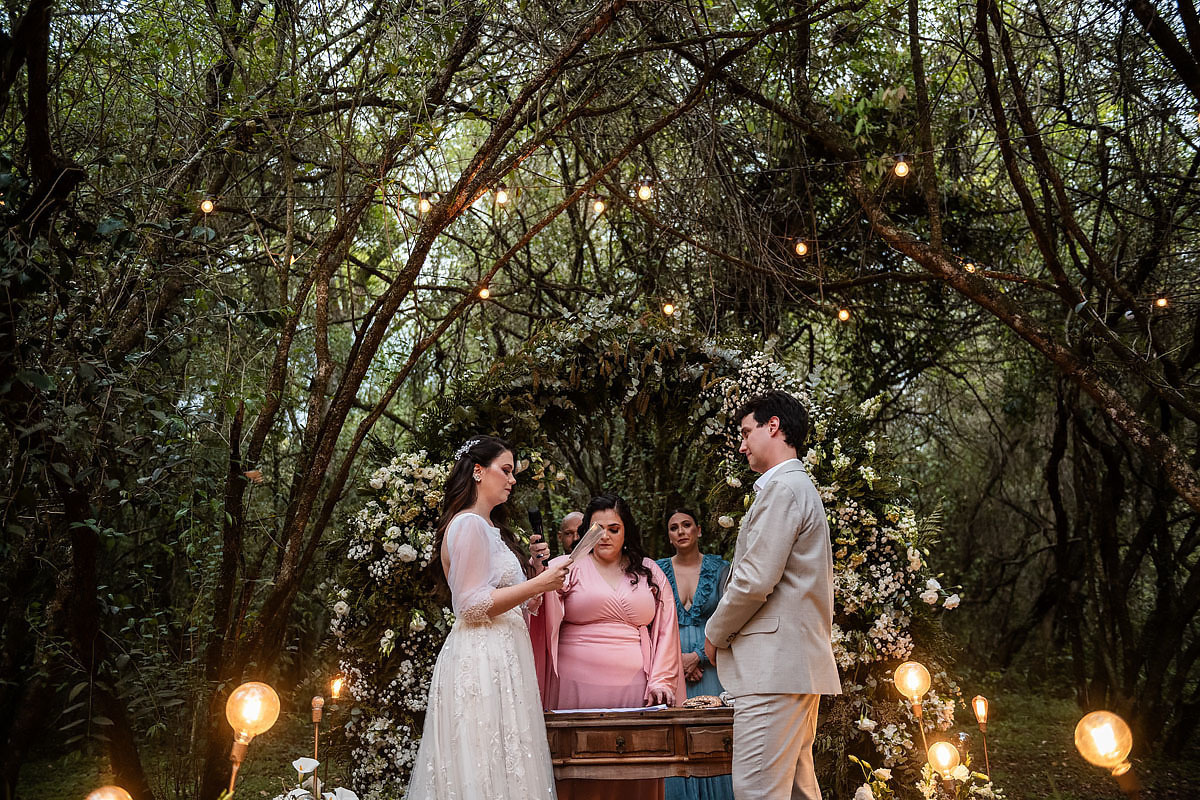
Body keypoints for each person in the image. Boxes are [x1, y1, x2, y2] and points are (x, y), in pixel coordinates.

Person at [408, 436, 569, 800]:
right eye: (506, 470)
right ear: (478, 471)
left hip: (503, 654)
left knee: (509, 765)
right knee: (484, 763)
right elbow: (469, 605)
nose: (512, 480)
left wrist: (535, 572)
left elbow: (511, 602)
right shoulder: (468, 524)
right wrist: (538, 584)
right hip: (481, 659)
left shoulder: (489, 527)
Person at [703, 391, 841, 800]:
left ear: (774, 426)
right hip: (790, 667)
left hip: (773, 671)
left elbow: (754, 581)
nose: (742, 445)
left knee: (758, 791)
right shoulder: (796, 487)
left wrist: (715, 634)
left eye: (747, 432)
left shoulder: (783, 489)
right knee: (797, 792)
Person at [531, 493, 686, 800]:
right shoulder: (566, 567)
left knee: (636, 770)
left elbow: (666, 631)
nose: (605, 536)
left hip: (635, 691)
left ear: (626, 531)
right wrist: (538, 571)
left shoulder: (649, 572)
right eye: (597, 529)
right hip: (575, 691)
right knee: (579, 773)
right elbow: (536, 608)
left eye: (614, 529)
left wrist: (661, 680)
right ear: (584, 531)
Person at [656, 508, 734, 800]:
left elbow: (731, 617)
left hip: (712, 665)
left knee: (714, 739)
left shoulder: (721, 568)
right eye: (674, 527)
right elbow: (652, 622)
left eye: (687, 525)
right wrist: (678, 660)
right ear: (669, 536)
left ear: (698, 530)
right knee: (676, 741)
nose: (681, 531)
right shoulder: (657, 571)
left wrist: (698, 656)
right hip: (671, 667)